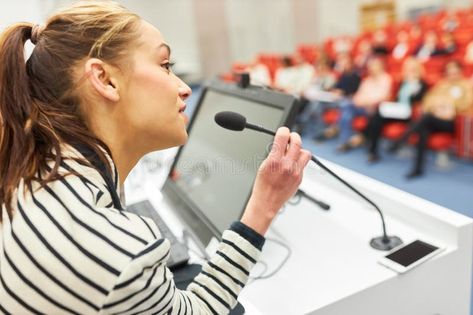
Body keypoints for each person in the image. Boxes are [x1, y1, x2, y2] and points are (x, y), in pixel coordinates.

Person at [0, 1, 311, 314]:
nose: (185, 88)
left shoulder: (34, 170)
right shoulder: (119, 253)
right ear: (105, 79)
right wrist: (265, 204)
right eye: (164, 65)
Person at [389, 60, 473, 178]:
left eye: (455, 73)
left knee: (426, 119)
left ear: (460, 72)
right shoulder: (442, 84)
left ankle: (402, 139)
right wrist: (437, 107)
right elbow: (428, 99)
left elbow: (467, 104)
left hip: (451, 121)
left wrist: (447, 106)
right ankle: (417, 168)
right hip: (435, 118)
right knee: (423, 129)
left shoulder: (466, 86)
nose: (452, 75)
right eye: (450, 73)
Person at [364, 58, 428, 162]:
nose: (409, 71)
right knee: (377, 117)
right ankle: (372, 150)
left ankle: (367, 140)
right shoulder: (404, 82)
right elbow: (398, 99)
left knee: (378, 114)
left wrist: (414, 89)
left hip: (408, 113)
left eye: (412, 69)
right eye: (407, 69)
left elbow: (418, 100)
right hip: (398, 110)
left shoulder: (421, 84)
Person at [334, 58, 392, 152]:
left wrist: (367, 102)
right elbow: (358, 95)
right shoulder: (367, 80)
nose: (371, 69)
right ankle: (344, 141)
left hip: (373, 108)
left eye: (373, 66)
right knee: (346, 109)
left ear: (381, 67)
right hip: (361, 106)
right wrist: (358, 101)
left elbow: (383, 96)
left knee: (346, 108)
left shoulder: (385, 79)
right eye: (370, 67)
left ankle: (346, 139)